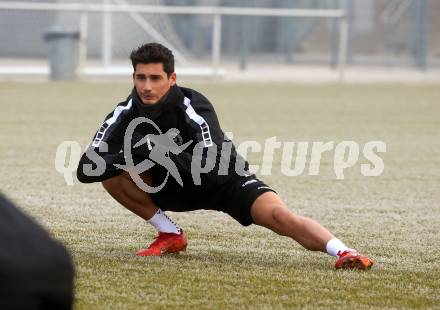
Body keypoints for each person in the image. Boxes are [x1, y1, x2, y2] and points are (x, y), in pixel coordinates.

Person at [77, 42, 373, 270]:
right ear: (133, 77)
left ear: (172, 78)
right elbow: (86, 168)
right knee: (111, 175)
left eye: (155, 78)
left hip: (224, 181)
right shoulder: (124, 112)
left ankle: (346, 253)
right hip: (172, 186)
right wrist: (139, 152)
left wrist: (159, 153)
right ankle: (170, 234)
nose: (147, 86)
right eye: (141, 78)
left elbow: (211, 166)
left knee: (281, 217)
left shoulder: (194, 106)